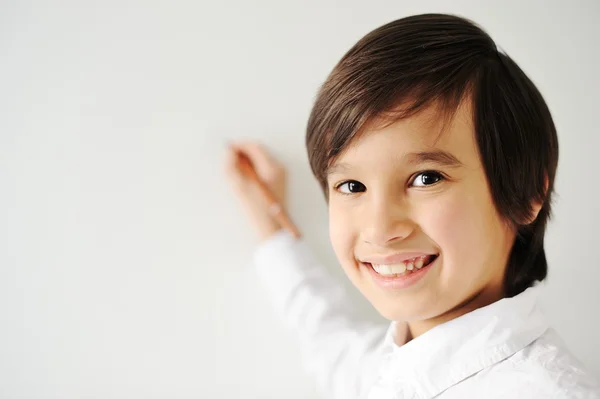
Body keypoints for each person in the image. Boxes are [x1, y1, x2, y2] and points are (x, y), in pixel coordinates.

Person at [224, 13, 600, 399]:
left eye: (426, 178)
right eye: (352, 185)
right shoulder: (382, 368)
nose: (379, 228)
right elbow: (326, 336)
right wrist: (271, 221)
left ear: (526, 195)